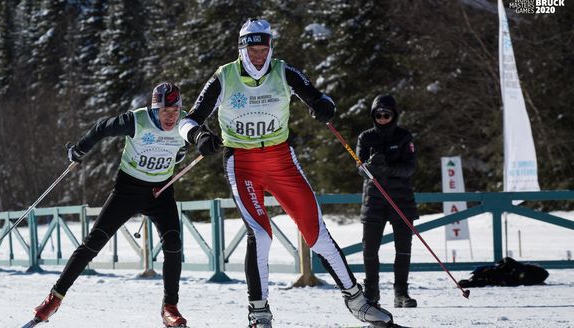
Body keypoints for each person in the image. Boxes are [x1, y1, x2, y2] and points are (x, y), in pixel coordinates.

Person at [178, 19, 394, 328]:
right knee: (262, 236)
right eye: (252, 50)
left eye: (263, 49)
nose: (258, 57)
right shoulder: (224, 77)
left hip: (281, 160)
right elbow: (190, 119)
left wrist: (323, 106)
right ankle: (259, 312)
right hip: (242, 163)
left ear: (270, 48)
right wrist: (197, 137)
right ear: (242, 49)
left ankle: (357, 300)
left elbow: (320, 98)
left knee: (317, 235)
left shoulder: (283, 71)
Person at [32, 83, 190, 327]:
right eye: (165, 111)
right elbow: (101, 128)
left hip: (161, 192)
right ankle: (55, 298)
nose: (171, 117)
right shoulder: (137, 121)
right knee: (93, 242)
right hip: (129, 190)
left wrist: (196, 146)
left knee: (173, 243)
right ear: (154, 108)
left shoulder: (184, 123)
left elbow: (194, 139)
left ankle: (170, 307)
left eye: (175, 111)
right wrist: (80, 149)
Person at [356, 94, 419, 308]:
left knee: (403, 248)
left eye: (387, 115)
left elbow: (410, 167)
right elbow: (359, 167)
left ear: (394, 115)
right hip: (374, 199)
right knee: (370, 248)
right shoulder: (365, 138)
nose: (382, 118)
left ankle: (401, 292)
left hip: (401, 198)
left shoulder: (404, 137)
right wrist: (370, 168)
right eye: (378, 115)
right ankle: (371, 292)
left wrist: (388, 169)